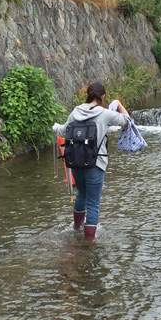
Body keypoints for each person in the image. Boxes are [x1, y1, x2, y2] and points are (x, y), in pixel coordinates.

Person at [53, 82, 129, 241]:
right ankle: (89, 242)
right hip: (96, 164)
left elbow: (64, 131)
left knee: (81, 194)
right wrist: (119, 104)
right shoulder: (105, 113)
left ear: (88, 95)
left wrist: (55, 127)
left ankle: (76, 229)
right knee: (93, 203)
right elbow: (126, 121)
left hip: (76, 162)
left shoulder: (76, 111)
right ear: (102, 97)